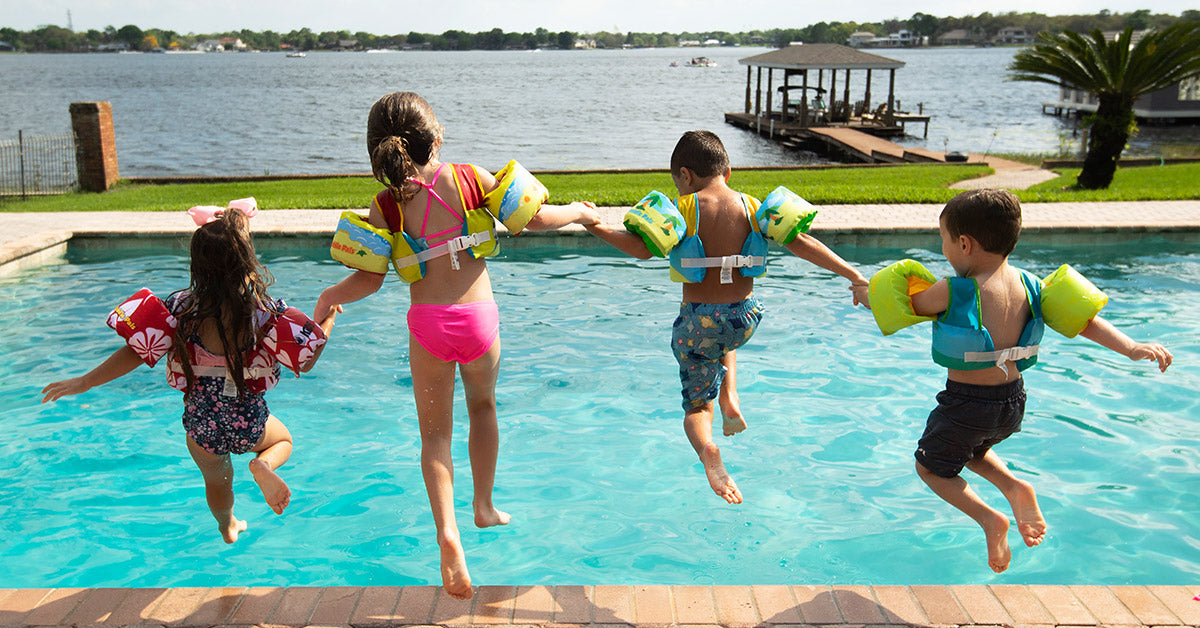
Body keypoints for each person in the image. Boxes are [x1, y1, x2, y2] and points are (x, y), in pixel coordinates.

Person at [313, 91, 599, 600]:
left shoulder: (385, 206)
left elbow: (371, 279)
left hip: (427, 325)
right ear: (436, 138)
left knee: (434, 438)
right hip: (479, 322)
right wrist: (579, 212)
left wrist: (331, 297)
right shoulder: (470, 178)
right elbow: (534, 219)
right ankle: (484, 506)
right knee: (483, 407)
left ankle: (448, 533)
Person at [894, 188, 1173, 573]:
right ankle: (1015, 487)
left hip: (965, 402)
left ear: (964, 243)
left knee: (931, 467)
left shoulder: (954, 290)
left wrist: (873, 292)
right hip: (1011, 403)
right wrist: (1131, 347)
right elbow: (1083, 320)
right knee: (972, 449)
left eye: (943, 241)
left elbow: (911, 304)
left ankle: (991, 520)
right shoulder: (1032, 285)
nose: (943, 250)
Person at [585, 130, 871, 505]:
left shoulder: (683, 209)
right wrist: (855, 277)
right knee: (723, 337)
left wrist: (597, 227)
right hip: (745, 318)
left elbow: (640, 250)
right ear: (728, 172)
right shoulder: (755, 208)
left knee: (695, 402)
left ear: (685, 176)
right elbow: (804, 244)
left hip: (698, 322)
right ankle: (730, 396)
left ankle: (708, 448)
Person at [42, 207, 337, 544]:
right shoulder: (264, 314)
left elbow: (138, 351)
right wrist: (327, 321)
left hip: (201, 425)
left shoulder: (180, 310)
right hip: (247, 419)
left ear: (197, 266)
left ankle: (226, 524)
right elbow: (307, 357)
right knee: (283, 439)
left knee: (216, 480)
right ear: (247, 261)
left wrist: (86, 381)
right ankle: (264, 466)